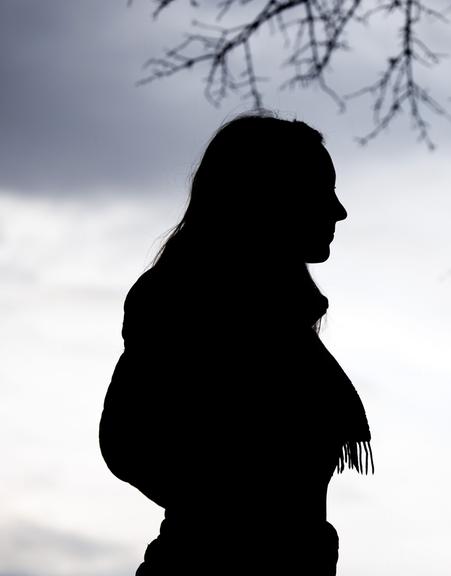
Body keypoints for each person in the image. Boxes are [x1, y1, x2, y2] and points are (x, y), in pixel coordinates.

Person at [98, 113, 373, 575]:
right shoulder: (191, 302)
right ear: (269, 195)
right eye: (321, 190)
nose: (339, 210)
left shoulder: (280, 324)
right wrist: (240, 514)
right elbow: (127, 442)